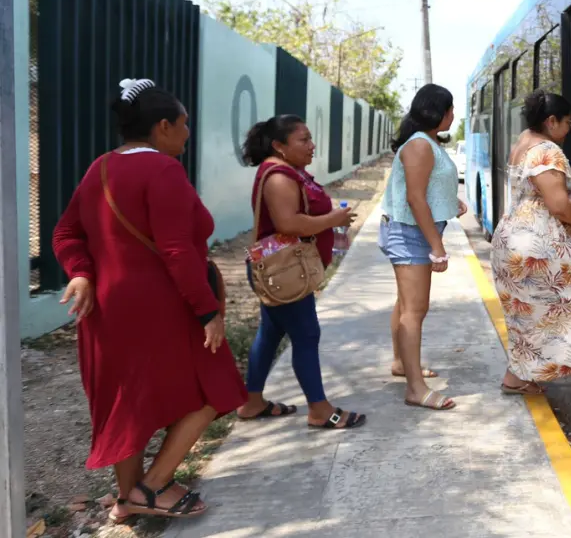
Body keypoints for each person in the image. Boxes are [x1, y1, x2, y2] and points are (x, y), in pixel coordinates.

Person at [52, 78, 247, 522]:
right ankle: (154, 484)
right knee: (215, 387)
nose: (187, 132)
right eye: (183, 124)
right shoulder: (162, 171)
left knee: (128, 404)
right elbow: (178, 252)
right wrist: (207, 311)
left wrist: (81, 272)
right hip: (162, 307)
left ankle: (126, 501)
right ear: (162, 127)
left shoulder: (100, 167)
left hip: (106, 310)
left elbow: (65, 232)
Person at [237, 114, 366, 430]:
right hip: (285, 272)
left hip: (282, 272)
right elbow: (288, 223)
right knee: (307, 335)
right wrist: (333, 219)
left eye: (310, 138)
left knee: (270, 333)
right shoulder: (280, 176)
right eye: (304, 140)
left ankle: (252, 401)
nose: (312, 146)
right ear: (279, 146)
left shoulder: (287, 171)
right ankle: (320, 410)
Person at [491, 89, 571, 395]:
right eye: (568, 122)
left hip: (513, 240)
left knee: (531, 314)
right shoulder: (547, 151)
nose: (570, 128)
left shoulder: (524, 141)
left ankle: (516, 377)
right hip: (538, 244)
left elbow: (542, 198)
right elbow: (559, 206)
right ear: (551, 121)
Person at [380, 83, 468, 411]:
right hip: (410, 234)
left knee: (405, 305)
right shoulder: (419, 145)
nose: (452, 115)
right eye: (449, 109)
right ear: (436, 111)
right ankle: (415, 388)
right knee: (415, 311)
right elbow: (414, 198)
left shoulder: (426, 142)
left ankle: (402, 364)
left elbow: (426, 187)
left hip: (409, 231)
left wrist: (450, 201)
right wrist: (437, 247)